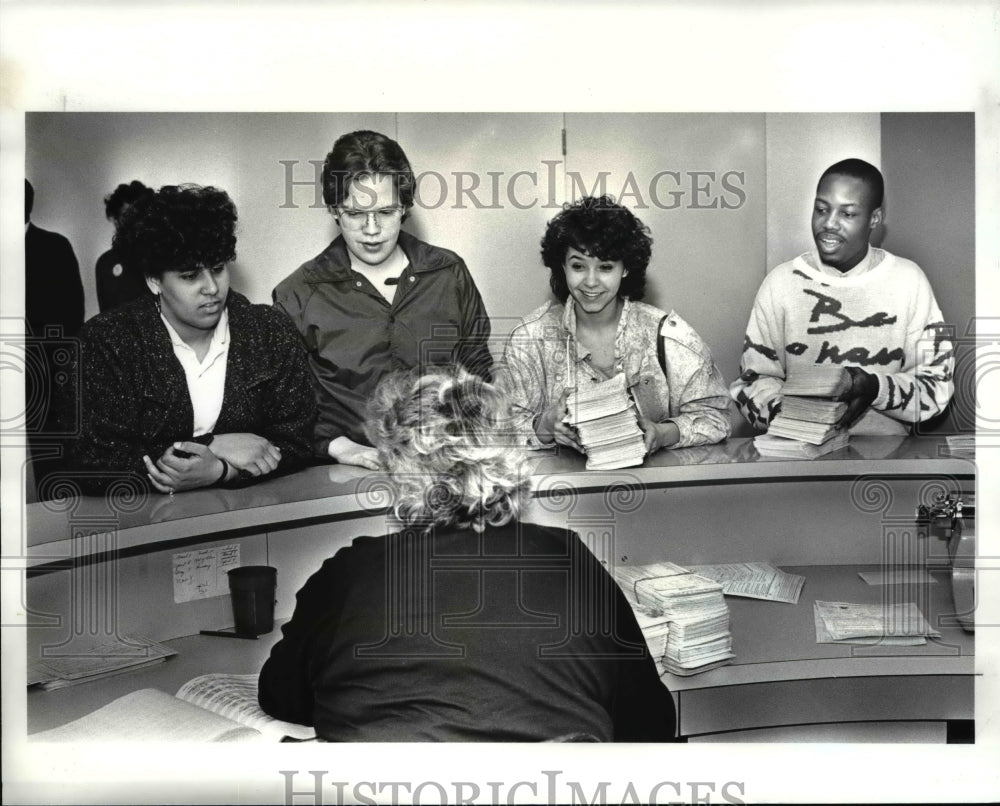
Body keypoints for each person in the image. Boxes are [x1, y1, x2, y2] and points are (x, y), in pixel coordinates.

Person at [258, 366, 676, 742]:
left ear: (397, 468)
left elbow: (281, 696)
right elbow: (651, 722)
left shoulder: (347, 573)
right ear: (503, 457)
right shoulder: (568, 557)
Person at [68, 184, 315, 495]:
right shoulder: (107, 342)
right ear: (154, 280)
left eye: (217, 269)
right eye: (189, 276)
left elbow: (298, 438)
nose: (211, 287)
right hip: (146, 527)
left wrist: (222, 471)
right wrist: (213, 445)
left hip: (251, 519)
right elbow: (90, 459)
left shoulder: (269, 331)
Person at [273, 130, 493, 471]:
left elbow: (477, 368)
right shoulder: (298, 294)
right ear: (334, 209)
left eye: (386, 212)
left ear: (404, 206)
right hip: (343, 471)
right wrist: (341, 448)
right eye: (356, 214)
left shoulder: (449, 274)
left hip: (447, 464)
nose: (372, 229)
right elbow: (288, 403)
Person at [730, 158, 955, 433]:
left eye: (847, 214)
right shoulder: (781, 283)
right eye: (821, 209)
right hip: (799, 458)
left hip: (886, 463)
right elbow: (752, 382)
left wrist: (875, 388)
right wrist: (797, 417)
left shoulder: (908, 280)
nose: (829, 224)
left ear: (875, 218)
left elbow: (937, 386)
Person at [497, 195, 730, 455]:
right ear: (562, 266)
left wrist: (662, 433)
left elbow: (715, 418)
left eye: (605, 267)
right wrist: (545, 426)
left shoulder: (667, 336)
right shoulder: (530, 339)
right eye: (578, 266)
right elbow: (499, 429)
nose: (591, 281)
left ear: (626, 268)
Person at [25, 178, 85, 499]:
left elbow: (71, 314)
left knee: (48, 452)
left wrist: (56, 370)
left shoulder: (54, 246)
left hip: (45, 371)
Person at [95, 180, 154, 312]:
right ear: (115, 220)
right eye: (127, 216)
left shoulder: (163, 257)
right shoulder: (105, 263)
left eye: (140, 215)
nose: (135, 223)